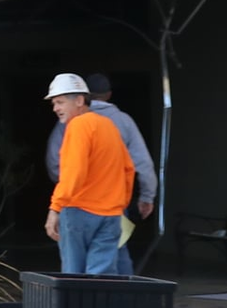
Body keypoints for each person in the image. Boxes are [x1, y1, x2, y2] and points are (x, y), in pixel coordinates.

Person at [43, 72, 155, 274]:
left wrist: (55, 208)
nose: (55, 108)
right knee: (101, 278)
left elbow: (73, 172)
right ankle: (106, 307)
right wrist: (120, 203)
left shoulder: (76, 126)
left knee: (73, 277)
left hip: (78, 210)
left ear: (79, 100)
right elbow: (128, 168)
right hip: (111, 213)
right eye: (53, 103)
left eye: (59, 102)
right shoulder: (109, 125)